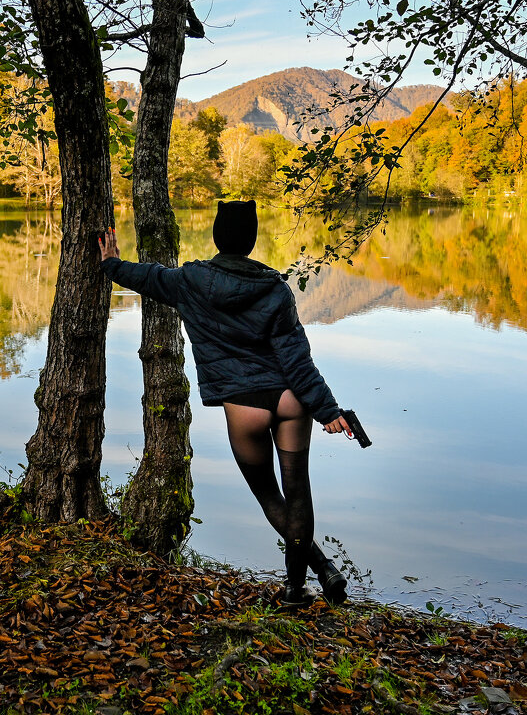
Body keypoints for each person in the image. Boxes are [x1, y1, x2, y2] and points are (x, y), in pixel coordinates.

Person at [99, 199, 351, 606]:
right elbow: (297, 360)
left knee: (271, 497)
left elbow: (147, 277)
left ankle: (313, 577)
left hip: (244, 406)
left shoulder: (188, 282)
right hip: (290, 398)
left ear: (217, 237)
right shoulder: (276, 289)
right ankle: (302, 582)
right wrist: (328, 410)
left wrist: (111, 264)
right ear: (251, 241)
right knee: (298, 492)